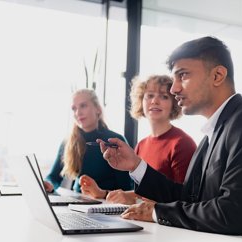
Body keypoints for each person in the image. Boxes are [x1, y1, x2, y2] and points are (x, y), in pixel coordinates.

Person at [97, 36, 242, 242]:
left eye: (183, 75)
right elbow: (189, 198)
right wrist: (135, 165)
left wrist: (156, 212)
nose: (174, 89)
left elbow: (230, 213)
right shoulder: (213, 133)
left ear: (218, 75)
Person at [79, 75, 197, 204]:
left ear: (174, 102)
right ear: (141, 100)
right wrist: (103, 193)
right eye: (150, 95)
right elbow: (143, 192)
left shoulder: (182, 143)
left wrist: (133, 198)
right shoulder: (141, 144)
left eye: (164, 96)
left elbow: (183, 198)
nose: (155, 101)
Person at [43, 89, 132, 194]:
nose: (78, 112)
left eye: (83, 106)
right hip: (78, 201)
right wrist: (48, 184)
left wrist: (102, 194)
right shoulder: (68, 142)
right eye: (74, 108)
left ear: (98, 109)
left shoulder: (115, 141)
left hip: (107, 204)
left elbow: (126, 188)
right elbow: (53, 177)